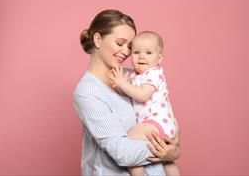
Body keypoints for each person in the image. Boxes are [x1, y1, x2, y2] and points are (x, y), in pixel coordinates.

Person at [74, 9, 180, 176]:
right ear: (98, 39)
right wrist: (169, 151)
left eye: (130, 47)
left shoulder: (134, 76)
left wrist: (173, 148)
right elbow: (124, 153)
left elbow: (163, 113)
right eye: (120, 43)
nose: (126, 51)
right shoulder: (88, 91)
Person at [110, 31, 180, 176]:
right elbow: (131, 94)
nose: (141, 56)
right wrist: (120, 88)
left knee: (129, 143)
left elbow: (142, 96)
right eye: (136, 52)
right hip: (162, 125)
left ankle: (138, 174)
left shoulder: (153, 73)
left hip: (156, 123)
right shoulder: (137, 75)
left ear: (159, 58)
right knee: (167, 161)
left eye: (148, 52)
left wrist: (123, 84)